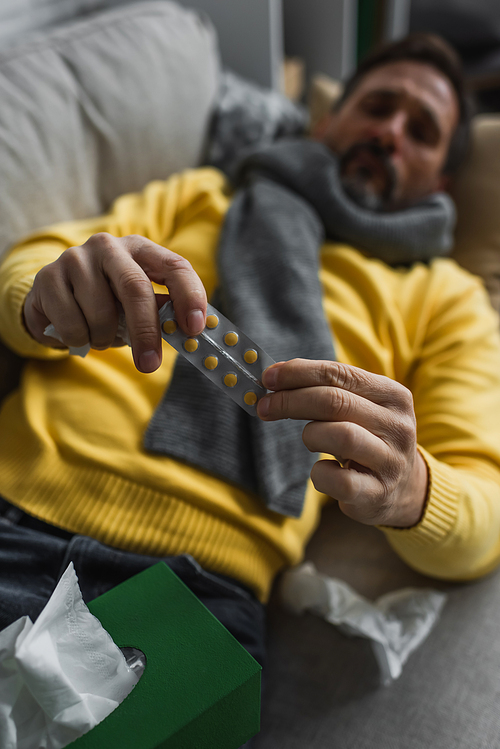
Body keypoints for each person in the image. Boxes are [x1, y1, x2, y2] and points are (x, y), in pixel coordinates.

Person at [1, 31, 500, 699]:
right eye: (378, 106)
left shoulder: (445, 296)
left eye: (421, 129)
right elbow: (34, 264)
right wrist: (44, 297)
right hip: (16, 510)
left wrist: (415, 491)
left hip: (199, 594)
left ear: (440, 178)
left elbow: (483, 511)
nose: (390, 132)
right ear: (328, 120)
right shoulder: (206, 194)